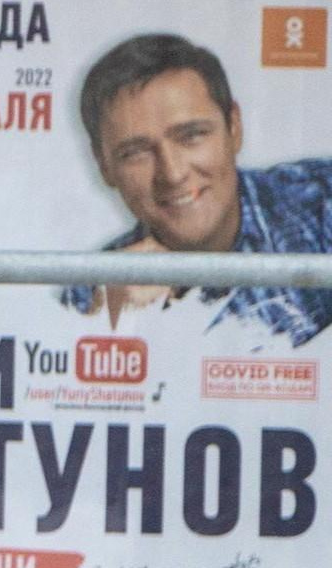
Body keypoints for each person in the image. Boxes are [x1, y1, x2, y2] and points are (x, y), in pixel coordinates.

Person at [69, 32, 332, 338]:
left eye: (191, 135)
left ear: (234, 127)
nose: (173, 173)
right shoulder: (94, 293)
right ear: (105, 166)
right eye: (136, 152)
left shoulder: (322, 201)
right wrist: (113, 336)